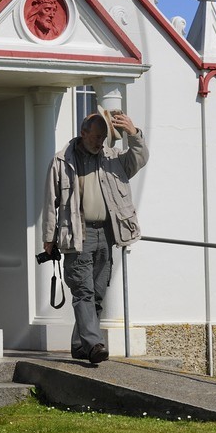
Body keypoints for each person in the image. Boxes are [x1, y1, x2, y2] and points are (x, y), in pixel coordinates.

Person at [41, 110, 149, 365]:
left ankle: (81, 345)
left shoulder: (113, 158)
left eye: (103, 137)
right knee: (83, 291)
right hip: (77, 234)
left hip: (108, 233)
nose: (100, 142)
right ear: (83, 133)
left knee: (97, 293)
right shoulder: (61, 161)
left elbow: (140, 159)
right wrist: (48, 237)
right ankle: (94, 344)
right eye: (96, 136)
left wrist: (132, 134)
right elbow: (49, 202)